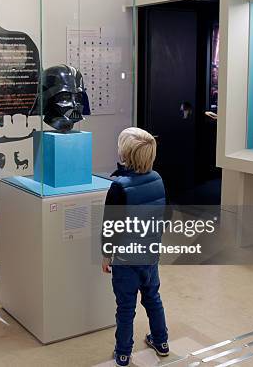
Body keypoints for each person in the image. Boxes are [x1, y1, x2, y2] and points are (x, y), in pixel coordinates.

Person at [102, 127, 169, 367]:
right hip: (150, 255)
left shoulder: (119, 187)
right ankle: (161, 341)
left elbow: (110, 226)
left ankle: (122, 353)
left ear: (125, 155)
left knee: (126, 306)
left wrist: (105, 255)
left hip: (126, 260)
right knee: (153, 298)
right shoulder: (158, 179)